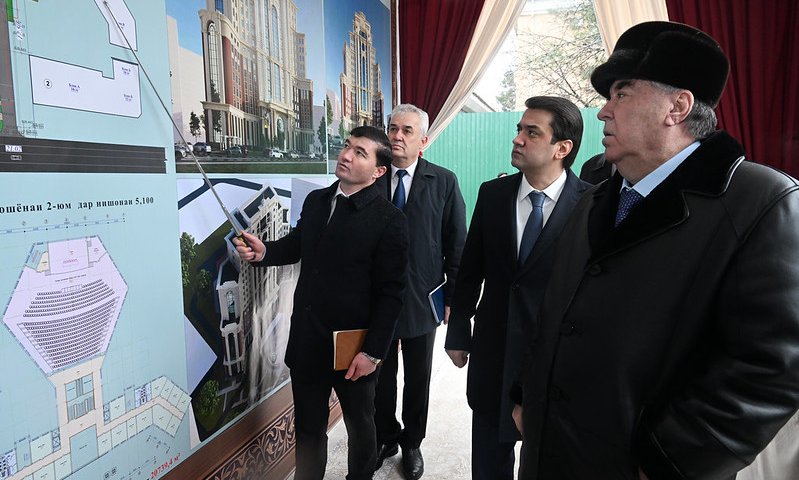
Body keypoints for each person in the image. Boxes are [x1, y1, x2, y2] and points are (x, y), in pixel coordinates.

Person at [513, 21, 799, 479]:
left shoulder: (761, 202)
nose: (603, 112)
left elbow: (770, 369)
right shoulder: (595, 197)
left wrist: (667, 462)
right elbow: (554, 312)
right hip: (551, 451)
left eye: (621, 93)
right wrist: (527, 396)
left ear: (677, 106)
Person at [234, 126, 409, 480]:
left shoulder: (390, 220)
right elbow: (299, 243)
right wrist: (264, 251)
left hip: (353, 347)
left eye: (360, 152)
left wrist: (373, 352)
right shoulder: (317, 201)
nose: (345, 155)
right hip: (308, 340)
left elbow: (392, 294)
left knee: (361, 425)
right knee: (309, 428)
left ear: (378, 171)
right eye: (347, 146)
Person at [445, 96, 590, 480]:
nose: (518, 139)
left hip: (554, 358)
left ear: (562, 148)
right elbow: (470, 267)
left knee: (547, 462)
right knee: (490, 462)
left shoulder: (592, 204)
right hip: (494, 351)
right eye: (518, 130)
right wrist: (458, 329)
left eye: (532, 132)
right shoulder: (493, 196)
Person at [373, 103, 467, 479]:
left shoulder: (443, 181)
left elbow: (456, 244)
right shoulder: (372, 177)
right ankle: (386, 437)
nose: (397, 136)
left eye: (407, 131)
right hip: (375, 298)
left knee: (418, 376)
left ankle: (412, 443)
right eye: (393, 128)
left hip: (421, 297)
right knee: (379, 374)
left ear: (423, 140)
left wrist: (453, 299)